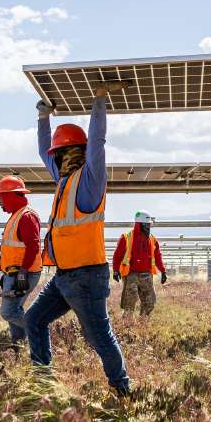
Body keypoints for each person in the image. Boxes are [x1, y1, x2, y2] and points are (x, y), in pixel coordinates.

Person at [25, 85, 132, 397]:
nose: (52, 161)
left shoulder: (90, 180)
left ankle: (122, 391)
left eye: (57, 155)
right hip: (64, 277)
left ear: (66, 155)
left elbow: (97, 143)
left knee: (99, 337)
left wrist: (99, 101)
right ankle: (44, 383)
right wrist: (43, 117)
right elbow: (44, 149)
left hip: (85, 277)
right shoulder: (63, 182)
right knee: (33, 321)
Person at [0, 175, 42, 344]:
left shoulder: (26, 216)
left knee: (8, 312)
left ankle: (38, 329)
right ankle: (19, 343)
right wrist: (6, 271)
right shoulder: (17, 215)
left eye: (0, 197)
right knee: (15, 309)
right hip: (15, 273)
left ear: (11, 196)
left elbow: (33, 247)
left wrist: (22, 273)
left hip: (23, 273)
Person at [112, 210, 167, 316]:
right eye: (146, 225)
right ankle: (127, 326)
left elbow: (158, 256)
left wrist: (163, 271)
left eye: (149, 225)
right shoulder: (126, 237)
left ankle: (143, 324)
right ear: (139, 225)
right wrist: (115, 270)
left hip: (147, 274)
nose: (148, 227)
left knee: (149, 302)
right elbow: (117, 255)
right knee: (130, 302)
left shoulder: (152, 239)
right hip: (131, 274)